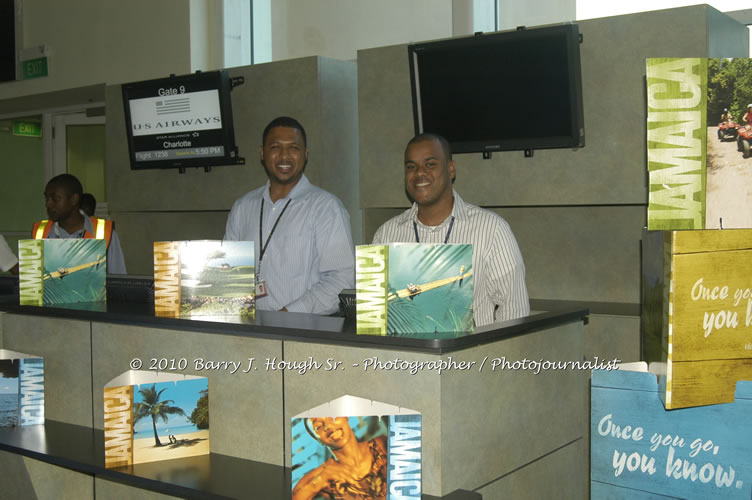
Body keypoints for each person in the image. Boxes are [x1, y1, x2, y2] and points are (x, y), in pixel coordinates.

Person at [372, 133, 529, 326]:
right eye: (411, 167)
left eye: (430, 164)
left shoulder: (491, 230)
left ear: (451, 169)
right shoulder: (385, 234)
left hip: (470, 355)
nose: (419, 173)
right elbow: (375, 313)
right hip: (404, 355)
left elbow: (514, 307)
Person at [224, 116, 354, 314]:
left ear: (305, 154)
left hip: (303, 333)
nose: (284, 156)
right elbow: (228, 273)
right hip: (246, 332)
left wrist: (289, 315)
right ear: (262, 153)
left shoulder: (326, 207)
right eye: (275, 147)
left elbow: (342, 279)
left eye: (293, 148)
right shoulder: (243, 207)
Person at [33, 174, 127, 274]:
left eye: (55, 198)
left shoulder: (105, 233)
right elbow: (32, 281)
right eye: (47, 198)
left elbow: (119, 280)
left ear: (74, 199)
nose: (48, 204)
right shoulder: (40, 232)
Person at [292, 417, 387, 500]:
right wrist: (320, 480)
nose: (327, 426)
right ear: (317, 439)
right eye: (318, 427)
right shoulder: (322, 475)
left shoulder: (383, 444)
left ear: (346, 416)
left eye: (332, 417)